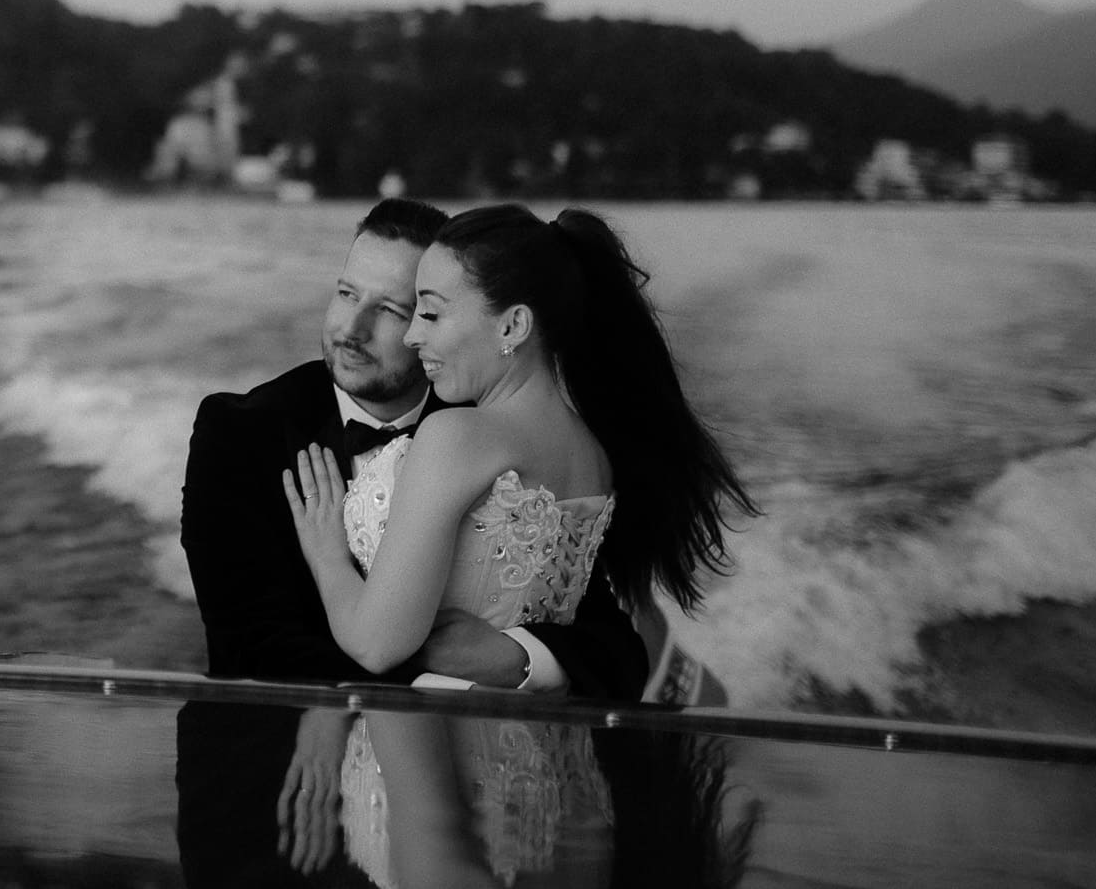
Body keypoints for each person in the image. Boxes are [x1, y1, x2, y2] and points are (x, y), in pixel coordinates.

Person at [181, 199, 648, 697]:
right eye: (346, 293)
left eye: (397, 310)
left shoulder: (488, 432)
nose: (351, 329)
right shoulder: (238, 431)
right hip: (290, 751)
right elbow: (246, 644)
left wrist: (515, 659)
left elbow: (612, 646)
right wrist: (445, 681)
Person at [282, 203, 753, 684]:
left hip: (430, 735)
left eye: (429, 312)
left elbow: (375, 645)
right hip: (535, 742)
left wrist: (326, 556)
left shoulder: (456, 436)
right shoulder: (593, 454)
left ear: (512, 326)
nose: (413, 334)